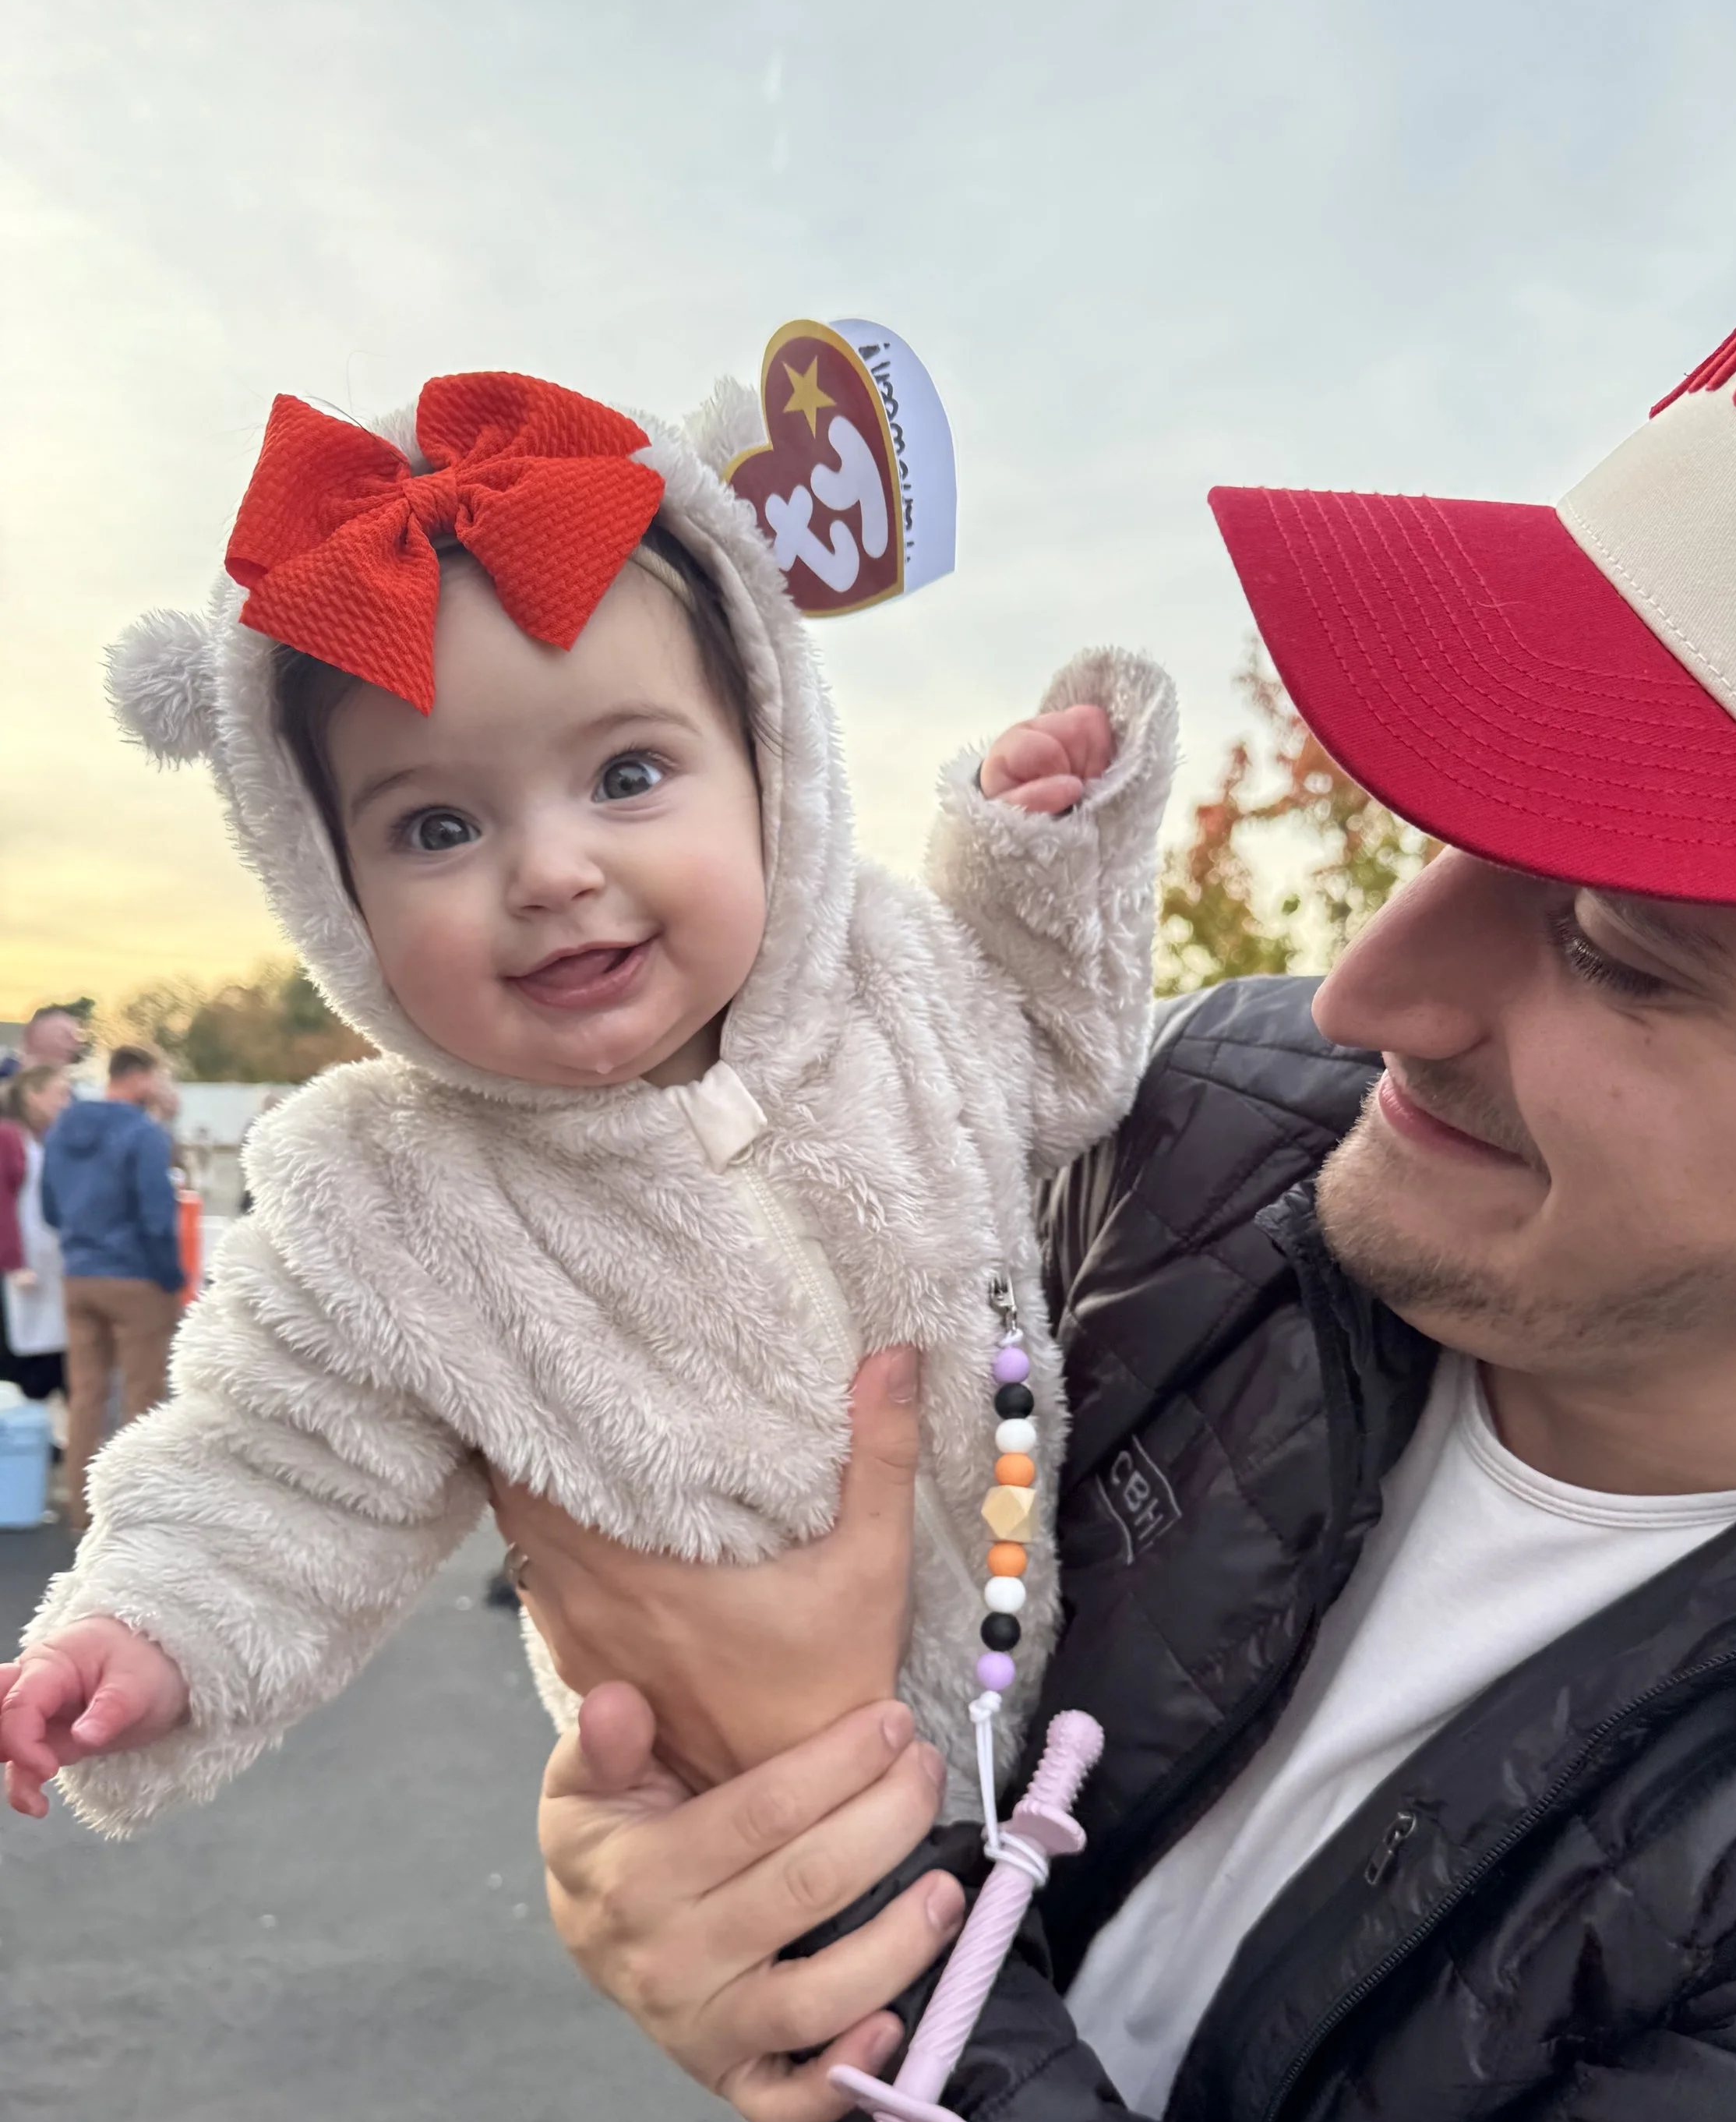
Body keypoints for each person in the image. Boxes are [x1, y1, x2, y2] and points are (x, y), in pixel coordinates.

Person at [512, 184, 1736, 2122]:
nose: (1367, 993)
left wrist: (853, 1975)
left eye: (1613, 943)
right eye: (1452, 820)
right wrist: (702, 1823)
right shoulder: (1214, 1138)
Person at [0, 368, 1173, 1835]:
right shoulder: (382, 1199)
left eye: (626, 771)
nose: (550, 870)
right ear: (329, 888)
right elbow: (281, 1466)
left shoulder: (897, 977)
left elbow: (1066, 1063)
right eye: (438, 824)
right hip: (745, 1817)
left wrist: (1036, 870)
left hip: (1114, 1702)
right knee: (913, 2048)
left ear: (770, 768)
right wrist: (146, 1633)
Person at [38, 1046, 183, 1536]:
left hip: (79, 1273)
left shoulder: (62, 1129)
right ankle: (133, 1513)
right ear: (141, 1077)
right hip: (136, 1275)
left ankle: (83, 1511)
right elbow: (157, 1215)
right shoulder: (142, 1134)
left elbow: (50, 1209)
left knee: (86, 1397)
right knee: (142, 1396)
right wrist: (171, 1276)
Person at [0, 1063, 73, 1409]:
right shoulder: (8, 1137)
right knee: (25, 1355)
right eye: (60, 1093)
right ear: (33, 1096)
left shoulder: (45, 1140)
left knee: (51, 1348)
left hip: (47, 1261)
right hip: (20, 1264)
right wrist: (13, 1262)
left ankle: (41, 1435)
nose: (66, 1101)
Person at [0, 1005, 87, 1086]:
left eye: (75, 1037)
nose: (74, 1044)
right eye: (63, 1035)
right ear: (32, 1036)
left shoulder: (73, 1092)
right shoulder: (6, 1080)